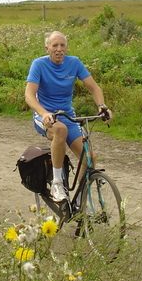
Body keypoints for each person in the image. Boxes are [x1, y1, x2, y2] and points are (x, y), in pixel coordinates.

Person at [24, 31, 113, 202]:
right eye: (54, 45)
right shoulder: (39, 64)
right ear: (47, 48)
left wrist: (102, 106)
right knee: (60, 130)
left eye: (62, 45)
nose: (59, 49)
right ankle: (57, 183)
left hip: (68, 115)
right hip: (45, 117)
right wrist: (44, 113)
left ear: (67, 47)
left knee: (89, 158)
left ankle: (79, 201)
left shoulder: (74, 63)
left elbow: (94, 88)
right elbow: (29, 95)